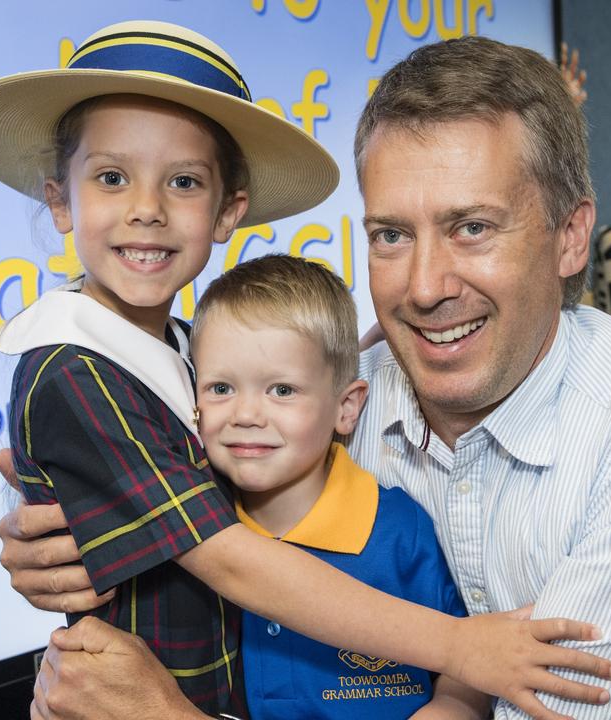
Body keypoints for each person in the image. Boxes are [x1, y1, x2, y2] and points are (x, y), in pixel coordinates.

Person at [0, 35, 611, 719]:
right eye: (391, 235)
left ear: (571, 237)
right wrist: (71, 538)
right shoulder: (340, 396)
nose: (424, 287)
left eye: (472, 229)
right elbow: (185, 501)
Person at [0, 21, 611, 720]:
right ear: (60, 200)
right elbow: (232, 559)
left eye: (182, 181)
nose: (146, 210)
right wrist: (461, 647)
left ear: (226, 211)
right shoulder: (74, 369)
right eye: (112, 177)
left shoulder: (185, 344)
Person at [192, 254, 489, 719]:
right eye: (221, 389)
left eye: (282, 390)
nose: (246, 415)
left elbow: (467, 658)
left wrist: (452, 706)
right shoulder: (199, 529)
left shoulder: (400, 531)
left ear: (346, 408)